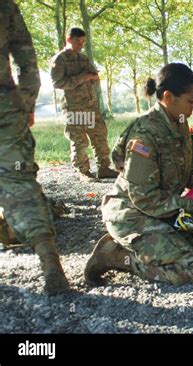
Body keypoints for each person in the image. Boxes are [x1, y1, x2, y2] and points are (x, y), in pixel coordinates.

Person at [84, 63, 193, 286]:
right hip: (132, 214)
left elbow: (176, 170)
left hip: (160, 208)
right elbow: (143, 197)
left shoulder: (179, 122)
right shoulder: (145, 135)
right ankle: (114, 256)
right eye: (191, 101)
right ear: (168, 97)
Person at [0, 0, 69, 295]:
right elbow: (27, 60)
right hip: (5, 104)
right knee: (19, 180)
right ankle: (49, 261)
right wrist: (24, 103)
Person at [50, 27, 117, 182]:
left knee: (100, 136)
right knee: (79, 141)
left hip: (91, 105)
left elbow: (93, 76)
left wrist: (94, 77)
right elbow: (57, 83)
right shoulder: (59, 60)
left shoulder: (83, 58)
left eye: (83, 41)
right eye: (77, 41)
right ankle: (84, 172)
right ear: (68, 40)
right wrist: (83, 78)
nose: (81, 44)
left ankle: (104, 168)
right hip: (74, 107)